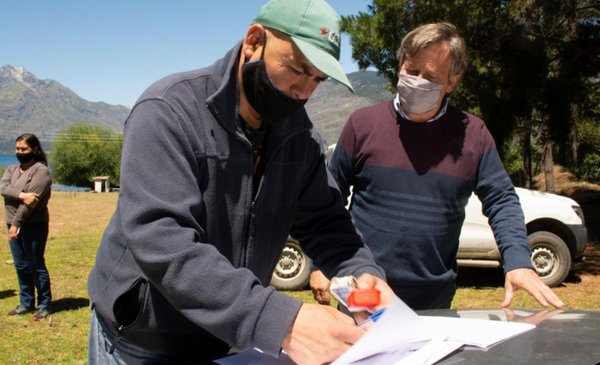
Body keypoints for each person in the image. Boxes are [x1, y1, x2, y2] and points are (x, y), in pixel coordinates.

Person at [87, 0, 394, 364]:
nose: (304, 92)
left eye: (317, 79)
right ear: (253, 42)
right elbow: (161, 240)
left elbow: (326, 222)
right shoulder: (168, 111)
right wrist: (279, 321)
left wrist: (362, 273)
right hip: (145, 340)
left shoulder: (301, 137)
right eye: (297, 69)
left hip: (225, 341)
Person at [311, 22, 564, 311]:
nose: (417, 81)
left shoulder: (473, 134)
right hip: (365, 288)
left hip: (434, 298)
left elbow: (501, 199)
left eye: (429, 77)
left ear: (452, 82)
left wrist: (518, 261)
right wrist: (321, 262)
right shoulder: (362, 124)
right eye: (411, 70)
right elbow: (329, 199)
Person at [1, 133, 52, 320]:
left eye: (24, 149)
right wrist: (23, 194)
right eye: (17, 149)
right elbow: (3, 188)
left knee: (36, 264)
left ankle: (45, 304)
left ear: (34, 149)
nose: (19, 152)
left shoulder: (41, 171)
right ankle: (26, 302)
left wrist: (16, 225)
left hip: (33, 225)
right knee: (21, 265)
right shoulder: (12, 169)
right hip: (12, 224)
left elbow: (31, 204)